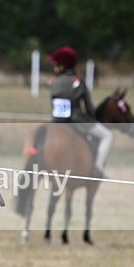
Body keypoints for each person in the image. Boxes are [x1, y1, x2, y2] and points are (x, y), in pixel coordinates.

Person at [46, 46, 113, 178]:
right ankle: (98, 169)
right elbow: (88, 106)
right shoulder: (79, 81)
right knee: (107, 136)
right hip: (77, 121)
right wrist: (94, 117)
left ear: (62, 66)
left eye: (56, 64)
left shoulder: (54, 83)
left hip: (56, 120)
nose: (54, 67)